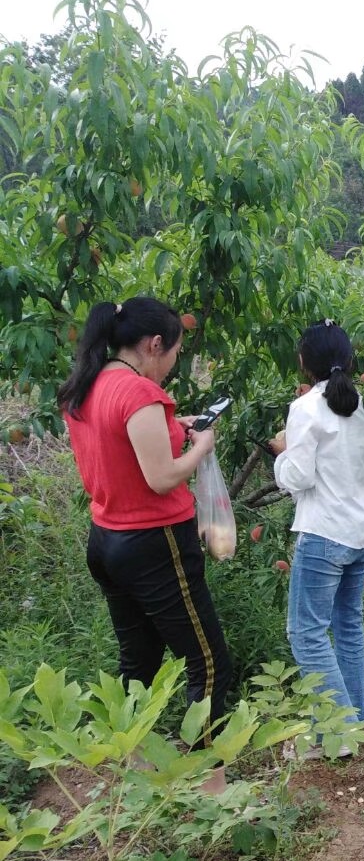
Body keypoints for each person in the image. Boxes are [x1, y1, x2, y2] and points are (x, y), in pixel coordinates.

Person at [58, 296, 233, 792]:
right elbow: (160, 477)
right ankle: (211, 787)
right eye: (175, 352)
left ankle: (133, 766)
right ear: (155, 344)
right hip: (156, 544)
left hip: (107, 541)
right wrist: (199, 447)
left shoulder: (87, 385)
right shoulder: (138, 394)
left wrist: (176, 427)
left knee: (139, 659)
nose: (175, 362)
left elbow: (121, 444)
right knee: (209, 661)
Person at [269, 320, 364, 757]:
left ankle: (338, 736)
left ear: (303, 362)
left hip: (323, 533)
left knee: (306, 635)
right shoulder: (362, 404)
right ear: (348, 359)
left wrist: (281, 454)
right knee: (347, 627)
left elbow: (299, 477)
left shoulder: (306, 409)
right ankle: (355, 722)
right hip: (360, 530)